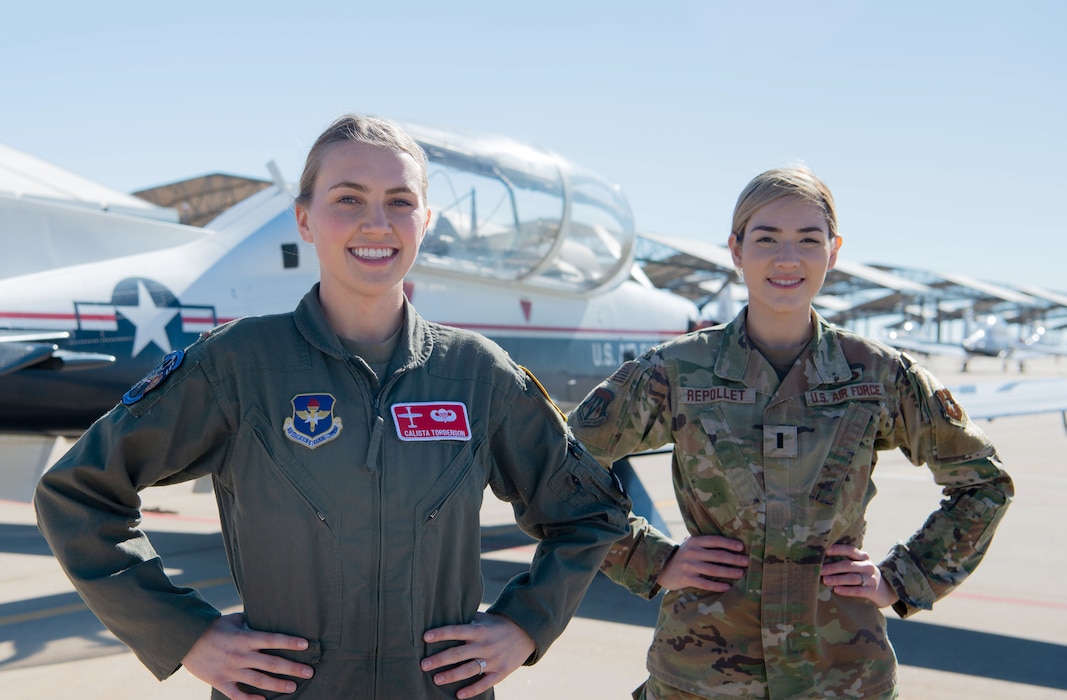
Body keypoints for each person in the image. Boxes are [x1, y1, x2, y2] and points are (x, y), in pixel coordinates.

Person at [34, 114, 630, 700]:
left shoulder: (479, 373)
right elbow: (79, 494)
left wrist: (524, 625)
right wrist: (188, 634)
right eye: (348, 198)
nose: (376, 223)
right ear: (305, 220)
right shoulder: (238, 364)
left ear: (426, 221)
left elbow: (588, 512)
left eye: (400, 201)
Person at [568, 166, 1014, 699]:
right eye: (766, 239)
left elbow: (983, 482)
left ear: (834, 250)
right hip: (703, 677)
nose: (787, 258)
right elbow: (556, 467)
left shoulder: (878, 374)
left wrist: (904, 576)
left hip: (842, 674)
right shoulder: (676, 371)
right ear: (735, 250)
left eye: (808, 239)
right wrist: (648, 558)